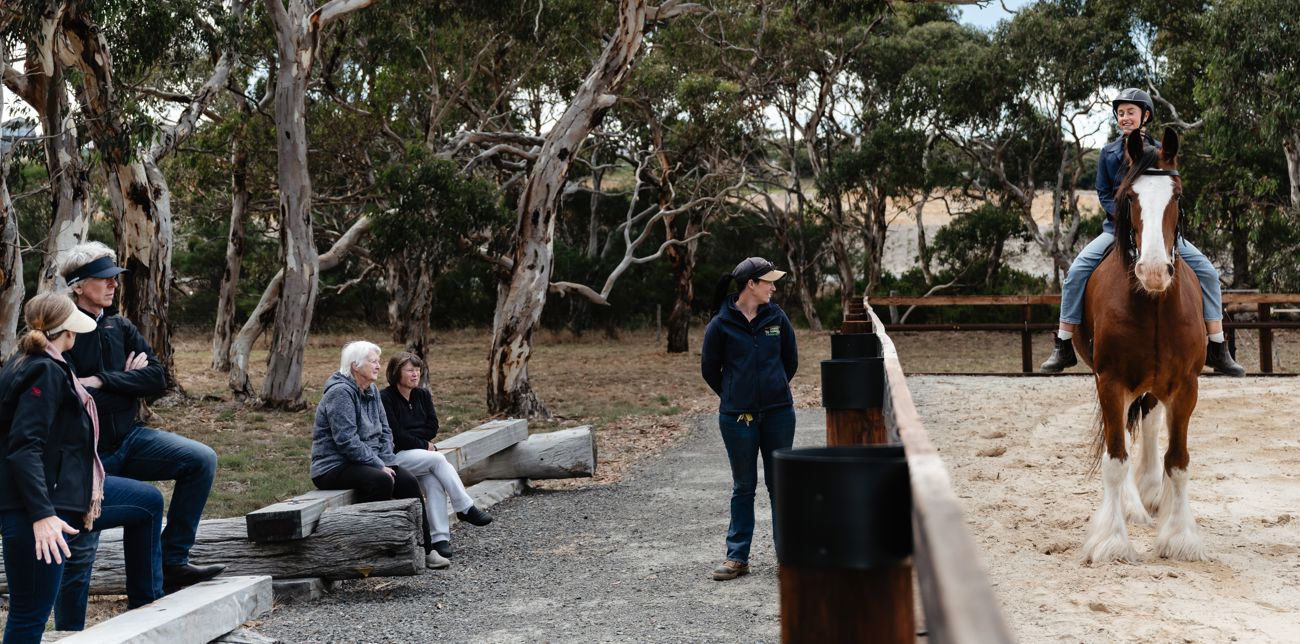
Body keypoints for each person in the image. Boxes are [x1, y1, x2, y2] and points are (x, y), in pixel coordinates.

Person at [54, 242, 223, 630]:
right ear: (78, 286)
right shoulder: (62, 329)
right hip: (86, 456)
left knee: (201, 460)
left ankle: (172, 562)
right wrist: (129, 382)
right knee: (82, 552)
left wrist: (104, 380)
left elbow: (158, 378)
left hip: (130, 437)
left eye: (115, 278)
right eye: (104, 278)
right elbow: (69, 395)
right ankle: (68, 633)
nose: (114, 285)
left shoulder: (120, 325)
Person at [1040, 87, 1246, 377]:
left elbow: (1166, 191)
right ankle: (1062, 344)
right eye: (1121, 113)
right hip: (1115, 229)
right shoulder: (1108, 153)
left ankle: (1217, 345)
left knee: (1209, 273)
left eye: (1131, 112)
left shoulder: (1159, 151)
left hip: (1158, 231)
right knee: (1076, 272)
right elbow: (1102, 191)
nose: (1125, 117)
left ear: (1145, 115)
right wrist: (1124, 218)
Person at [1, 294, 165, 643]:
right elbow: (23, 448)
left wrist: (119, 378)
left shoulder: (38, 362)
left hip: (67, 497)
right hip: (41, 512)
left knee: (147, 503)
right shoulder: (42, 370)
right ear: (70, 334)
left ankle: (148, 613)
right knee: (29, 616)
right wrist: (42, 516)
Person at [311, 341, 452, 570]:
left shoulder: (372, 390)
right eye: (373, 361)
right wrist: (378, 464)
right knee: (381, 480)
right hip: (333, 466)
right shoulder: (340, 393)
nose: (378, 366)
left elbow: (385, 431)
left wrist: (388, 461)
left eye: (378, 361)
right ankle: (373, 549)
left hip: (366, 461)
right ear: (355, 365)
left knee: (407, 481)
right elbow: (347, 440)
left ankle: (427, 549)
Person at [700, 257, 798, 581]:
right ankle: (737, 557)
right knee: (744, 486)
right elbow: (710, 370)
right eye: (768, 281)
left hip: (779, 414)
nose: (774, 286)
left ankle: (788, 557)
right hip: (737, 418)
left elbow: (790, 361)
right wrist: (734, 396)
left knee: (780, 485)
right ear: (751, 285)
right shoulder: (720, 324)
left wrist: (772, 390)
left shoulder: (777, 317)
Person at [380, 352, 493, 561]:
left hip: (420, 454)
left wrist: (420, 441)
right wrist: (423, 443)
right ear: (397, 373)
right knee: (439, 459)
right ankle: (465, 507)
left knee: (433, 481)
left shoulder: (422, 395)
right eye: (409, 370)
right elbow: (395, 435)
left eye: (417, 370)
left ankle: (440, 540)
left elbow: (433, 426)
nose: (415, 374)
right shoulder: (385, 398)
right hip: (395, 457)